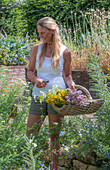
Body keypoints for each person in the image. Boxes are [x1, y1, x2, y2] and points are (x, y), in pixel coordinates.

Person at [27, 17, 75, 170]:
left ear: (52, 31)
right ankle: (29, 166)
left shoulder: (65, 52)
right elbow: (30, 71)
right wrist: (35, 79)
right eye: (39, 33)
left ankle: (54, 168)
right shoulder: (37, 49)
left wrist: (71, 84)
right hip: (39, 95)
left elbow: (67, 75)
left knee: (54, 136)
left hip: (57, 97)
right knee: (31, 134)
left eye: (43, 33)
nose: (40, 36)